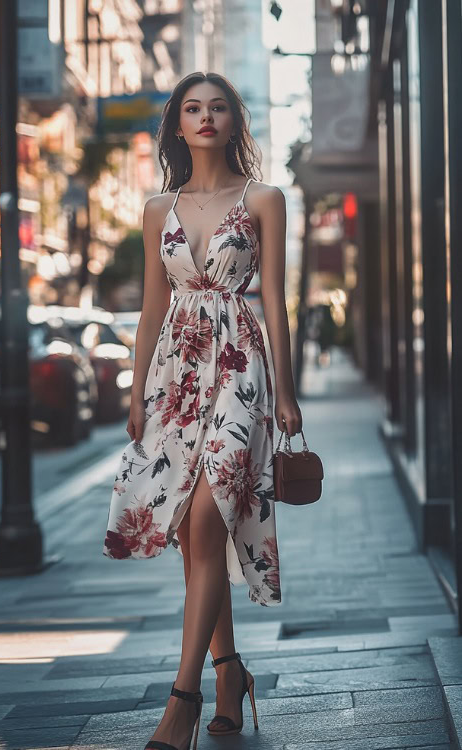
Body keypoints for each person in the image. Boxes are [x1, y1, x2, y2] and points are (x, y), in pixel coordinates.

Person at [103, 71, 302, 750]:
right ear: (178, 124)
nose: (206, 116)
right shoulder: (158, 208)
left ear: (234, 120)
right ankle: (228, 672)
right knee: (193, 536)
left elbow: (275, 300)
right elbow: (150, 310)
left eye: (218, 107)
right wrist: (134, 395)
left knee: (210, 511)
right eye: (193, 108)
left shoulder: (266, 199)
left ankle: (181, 699)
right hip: (176, 374)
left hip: (241, 367)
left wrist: (287, 389)